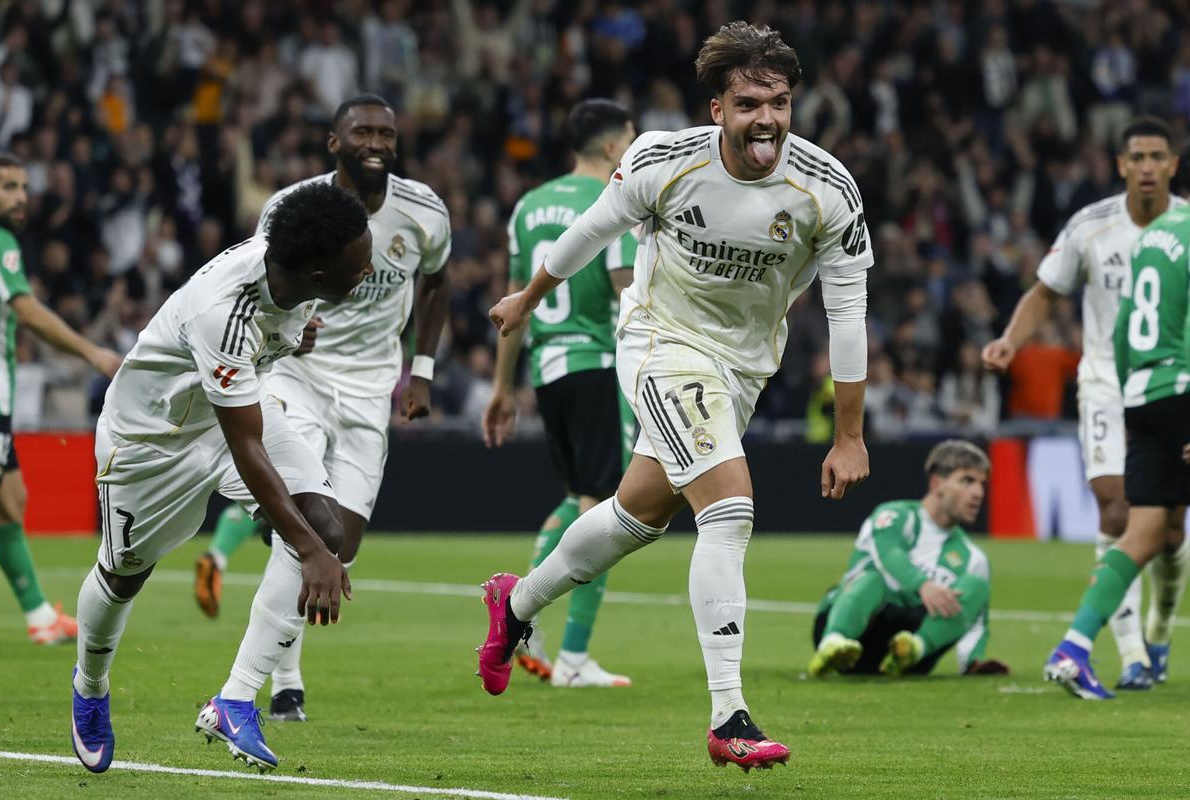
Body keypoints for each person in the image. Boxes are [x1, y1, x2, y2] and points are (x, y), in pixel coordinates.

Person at [476, 21, 872, 771]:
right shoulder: (663, 159)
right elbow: (594, 231)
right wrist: (529, 296)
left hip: (745, 366)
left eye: (781, 103)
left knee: (634, 518)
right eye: (750, 103)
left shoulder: (827, 190)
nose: (768, 120)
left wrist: (849, 432)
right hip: (661, 342)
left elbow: (847, 314)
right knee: (729, 509)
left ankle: (515, 604)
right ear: (717, 108)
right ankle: (731, 717)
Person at [71, 182, 371, 774]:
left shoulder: (295, 274)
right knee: (124, 573)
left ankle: (235, 699)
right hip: (151, 441)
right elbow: (248, 446)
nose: (366, 271)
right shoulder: (224, 308)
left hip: (228, 415)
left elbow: (254, 396)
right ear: (317, 272)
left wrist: (315, 543)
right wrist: (309, 554)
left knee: (326, 525)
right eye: (356, 264)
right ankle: (90, 683)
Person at [194, 94, 450, 721]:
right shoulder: (292, 207)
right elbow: (263, 284)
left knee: (342, 547)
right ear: (334, 142)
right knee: (311, 527)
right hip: (298, 376)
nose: (377, 142)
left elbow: (438, 281)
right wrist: (284, 333)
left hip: (370, 387)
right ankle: (265, 687)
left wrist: (422, 370)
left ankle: (270, 679)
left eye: (387, 133)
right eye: (362, 130)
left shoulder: (424, 212)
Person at [983, 117, 1187, 689]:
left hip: (1172, 389)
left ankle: (1160, 630)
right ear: (1120, 164)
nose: (1146, 166)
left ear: (1173, 164)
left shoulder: (1184, 227)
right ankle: (1131, 659)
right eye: (1136, 156)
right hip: (1105, 383)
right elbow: (1046, 291)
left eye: (1156, 156)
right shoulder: (1091, 226)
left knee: (1170, 530)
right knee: (1117, 511)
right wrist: (1010, 340)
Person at [482, 98, 637, 688]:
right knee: (611, 512)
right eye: (630, 136)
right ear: (609, 146)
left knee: (581, 498)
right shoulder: (617, 193)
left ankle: (521, 610)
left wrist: (502, 386)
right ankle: (571, 657)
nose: (634, 145)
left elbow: (514, 297)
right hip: (599, 361)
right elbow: (625, 287)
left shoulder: (526, 206)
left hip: (547, 369)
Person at [1044, 202, 1190, 700]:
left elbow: (1123, 324)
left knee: (1144, 533)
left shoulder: (1154, 239)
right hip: (1184, 386)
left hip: (1143, 391)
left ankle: (1073, 647)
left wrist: (1134, 394)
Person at [0, 152, 120, 644]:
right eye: (6, 186)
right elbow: (27, 311)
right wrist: (92, 352)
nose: (19, 196)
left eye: (23, 186)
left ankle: (40, 617)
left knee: (11, 499)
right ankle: (40, 618)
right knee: (6, 500)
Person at [808, 440, 1009, 677]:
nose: (978, 493)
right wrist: (923, 585)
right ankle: (832, 643)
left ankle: (912, 650)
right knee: (873, 578)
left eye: (982, 484)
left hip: (909, 641)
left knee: (976, 587)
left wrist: (974, 662)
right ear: (937, 483)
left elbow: (974, 619)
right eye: (967, 480)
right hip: (859, 626)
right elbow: (888, 556)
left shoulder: (973, 557)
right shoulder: (895, 516)